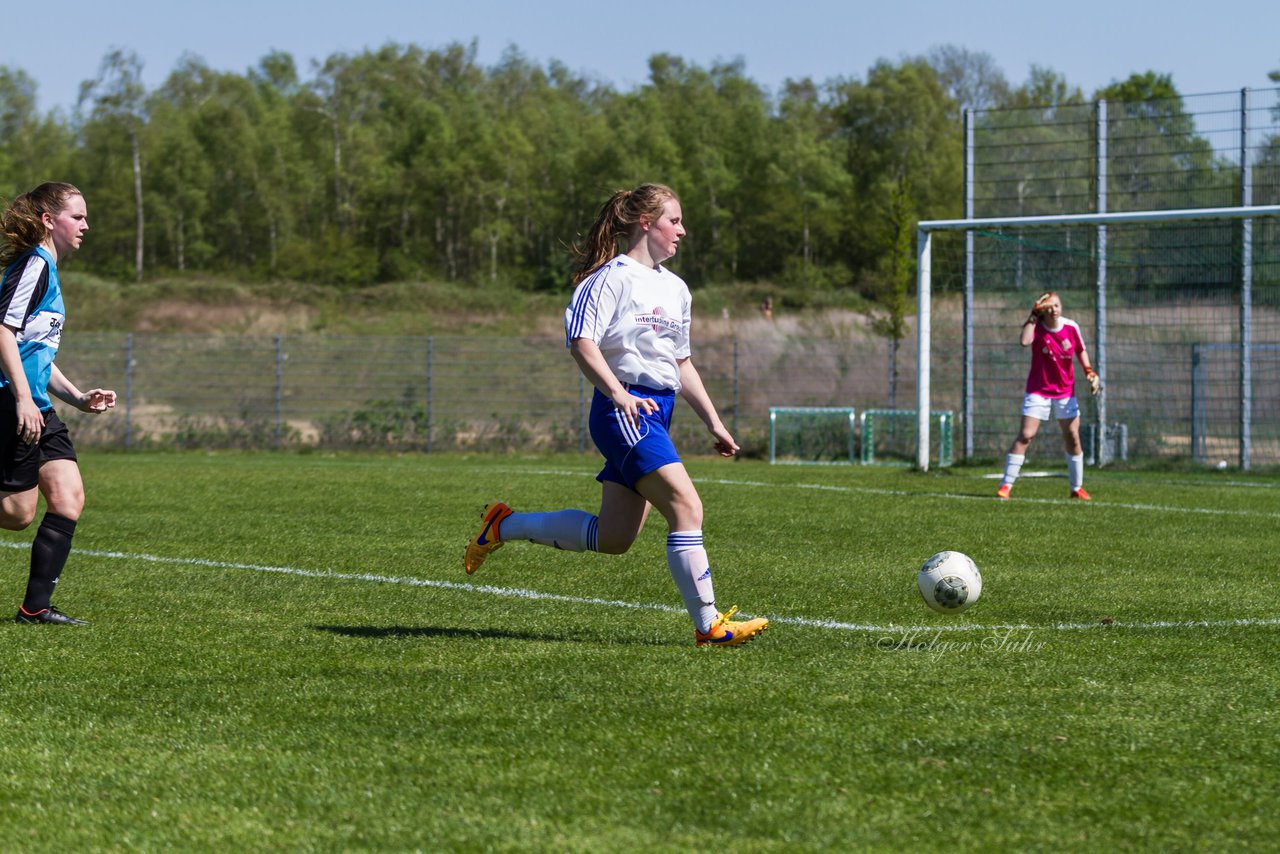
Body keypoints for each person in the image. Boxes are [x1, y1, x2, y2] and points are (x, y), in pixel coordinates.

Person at [464, 183, 768, 648]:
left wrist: (713, 421)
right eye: (675, 220)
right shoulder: (610, 279)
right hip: (622, 411)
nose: (683, 231)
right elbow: (581, 343)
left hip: (655, 412)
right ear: (646, 223)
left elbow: (680, 364)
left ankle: (503, 524)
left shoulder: (676, 288)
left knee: (614, 537)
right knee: (687, 507)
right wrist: (618, 394)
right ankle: (710, 626)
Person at [0, 182, 117, 625]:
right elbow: (2, 333)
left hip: (36, 406)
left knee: (68, 498)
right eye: (78, 216)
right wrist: (24, 399)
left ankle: (35, 609)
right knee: (16, 514)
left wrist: (77, 397)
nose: (86, 225)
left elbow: (37, 353)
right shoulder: (34, 265)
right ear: (50, 220)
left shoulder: (47, 267)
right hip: (10, 402)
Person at [997, 291, 1101, 501]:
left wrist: (1089, 371)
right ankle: (1006, 485)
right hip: (1038, 390)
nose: (1054, 310)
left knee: (1072, 437)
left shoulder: (1071, 327)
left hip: (1065, 391)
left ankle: (1076, 488)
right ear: (1042, 310)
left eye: (1057, 306)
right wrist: (1033, 316)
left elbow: (1080, 350)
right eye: (1049, 307)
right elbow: (1025, 341)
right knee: (1026, 435)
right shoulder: (1037, 327)